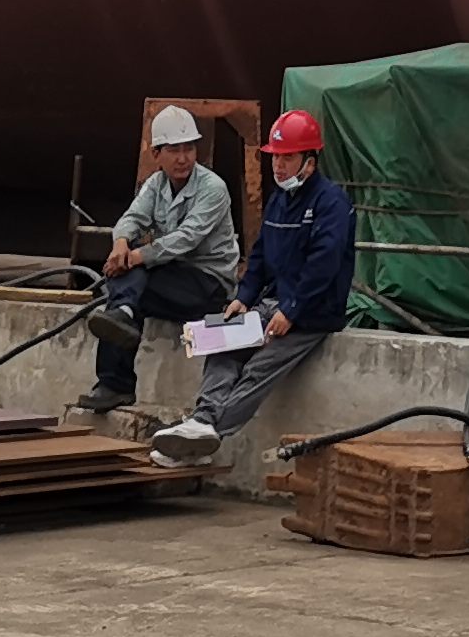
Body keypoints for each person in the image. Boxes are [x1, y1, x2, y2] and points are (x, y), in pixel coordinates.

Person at [151, 108, 354, 466]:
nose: (279, 166)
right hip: (270, 303)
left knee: (258, 369)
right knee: (221, 343)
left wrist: (291, 310)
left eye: (287, 158)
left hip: (312, 315)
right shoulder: (280, 200)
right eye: (275, 157)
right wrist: (243, 297)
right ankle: (200, 423)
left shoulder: (331, 204)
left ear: (310, 161)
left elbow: (322, 266)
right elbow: (260, 255)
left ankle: (204, 433)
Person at [80, 104, 242, 414]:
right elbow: (133, 218)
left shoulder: (213, 188)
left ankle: (115, 381)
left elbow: (187, 238)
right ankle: (122, 324)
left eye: (188, 149)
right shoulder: (155, 185)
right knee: (124, 285)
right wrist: (120, 244)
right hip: (172, 276)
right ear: (157, 154)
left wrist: (135, 256)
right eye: (174, 150)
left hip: (207, 284)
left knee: (129, 283)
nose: (183, 158)